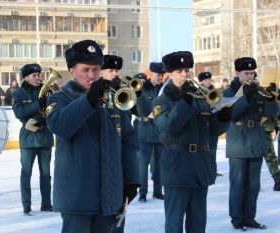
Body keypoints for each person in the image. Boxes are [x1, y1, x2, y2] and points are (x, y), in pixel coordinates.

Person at [46, 39, 140, 233]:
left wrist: (131, 180)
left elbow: (128, 142)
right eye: (85, 70)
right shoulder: (60, 98)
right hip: (77, 198)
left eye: (96, 70)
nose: (92, 75)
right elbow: (61, 126)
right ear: (72, 71)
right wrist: (88, 100)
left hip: (111, 197)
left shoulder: (114, 99)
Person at [153, 51, 231, 233]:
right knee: (174, 223)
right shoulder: (162, 100)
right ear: (169, 74)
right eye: (179, 70)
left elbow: (212, 131)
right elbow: (170, 126)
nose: (185, 74)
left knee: (198, 222)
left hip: (200, 167)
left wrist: (224, 118)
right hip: (177, 168)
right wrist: (184, 102)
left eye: (187, 70)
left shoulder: (201, 98)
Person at [224, 57, 278, 230]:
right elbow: (232, 114)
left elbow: (272, 114)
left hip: (256, 139)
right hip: (238, 141)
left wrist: (271, 98)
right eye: (246, 73)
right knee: (238, 184)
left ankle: (249, 217)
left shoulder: (256, 90)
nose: (250, 76)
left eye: (252, 73)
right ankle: (237, 219)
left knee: (254, 185)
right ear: (237, 73)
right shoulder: (228, 91)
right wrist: (246, 96)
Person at [12, 63, 54, 215]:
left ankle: (46, 203)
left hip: (45, 137)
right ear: (26, 77)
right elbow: (19, 113)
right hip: (28, 139)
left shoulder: (47, 91)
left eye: (39, 75)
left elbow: (54, 109)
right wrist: (38, 104)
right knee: (26, 173)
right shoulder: (18, 94)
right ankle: (27, 205)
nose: (38, 77)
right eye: (34, 75)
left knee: (46, 174)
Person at [135, 62, 165, 203]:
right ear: (151, 74)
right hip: (145, 130)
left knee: (159, 165)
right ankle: (142, 193)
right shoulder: (142, 88)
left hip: (159, 131)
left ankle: (158, 191)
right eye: (158, 75)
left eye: (162, 75)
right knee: (143, 165)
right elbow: (135, 107)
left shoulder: (163, 89)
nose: (160, 77)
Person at [198, 72, 223, 177]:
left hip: (213, 123)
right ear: (201, 81)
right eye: (205, 79)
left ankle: (213, 170)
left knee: (213, 149)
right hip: (203, 124)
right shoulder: (198, 92)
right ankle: (204, 169)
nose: (208, 81)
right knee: (204, 149)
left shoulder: (214, 91)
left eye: (209, 79)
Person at [261, 117, 280, 191]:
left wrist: (277, 126)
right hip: (258, 129)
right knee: (270, 157)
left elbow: (273, 111)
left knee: (270, 157)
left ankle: (278, 181)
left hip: (264, 129)